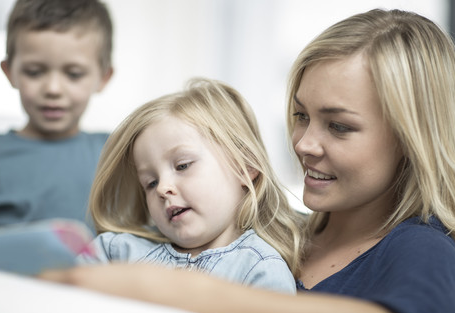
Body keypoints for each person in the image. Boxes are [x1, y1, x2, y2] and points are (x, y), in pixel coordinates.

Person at [39, 8, 455, 313]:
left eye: (339, 126)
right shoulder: (277, 229)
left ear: (410, 139)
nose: (304, 143)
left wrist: (177, 292)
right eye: (300, 116)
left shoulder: (421, 248)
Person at [77, 78, 301, 294]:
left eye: (183, 166)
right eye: (150, 182)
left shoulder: (261, 270)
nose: (162, 188)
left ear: (245, 166)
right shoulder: (116, 251)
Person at [0, 0, 114, 231]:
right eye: (34, 72)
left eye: (73, 74)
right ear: (9, 72)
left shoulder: (118, 155)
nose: (53, 89)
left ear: (103, 77)